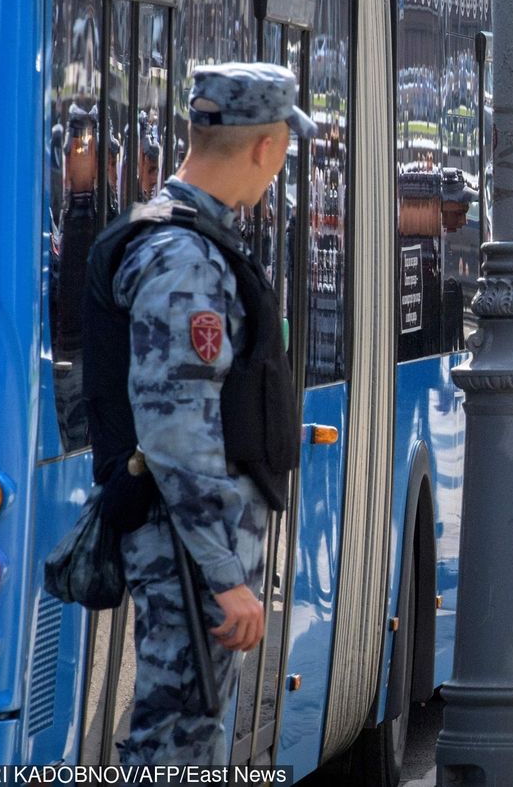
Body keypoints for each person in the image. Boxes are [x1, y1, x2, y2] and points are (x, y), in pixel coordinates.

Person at [82, 62, 312, 763]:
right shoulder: (184, 259)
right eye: (284, 151)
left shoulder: (187, 241)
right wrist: (223, 571)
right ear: (266, 147)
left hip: (182, 539)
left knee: (183, 734)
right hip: (184, 546)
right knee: (177, 741)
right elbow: (176, 425)